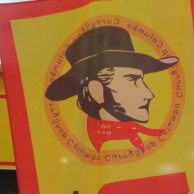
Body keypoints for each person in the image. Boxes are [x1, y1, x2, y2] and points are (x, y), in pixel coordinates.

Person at [45, 25, 179, 152]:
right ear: (96, 91)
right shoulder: (103, 144)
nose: (149, 94)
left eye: (141, 80)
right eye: (132, 80)